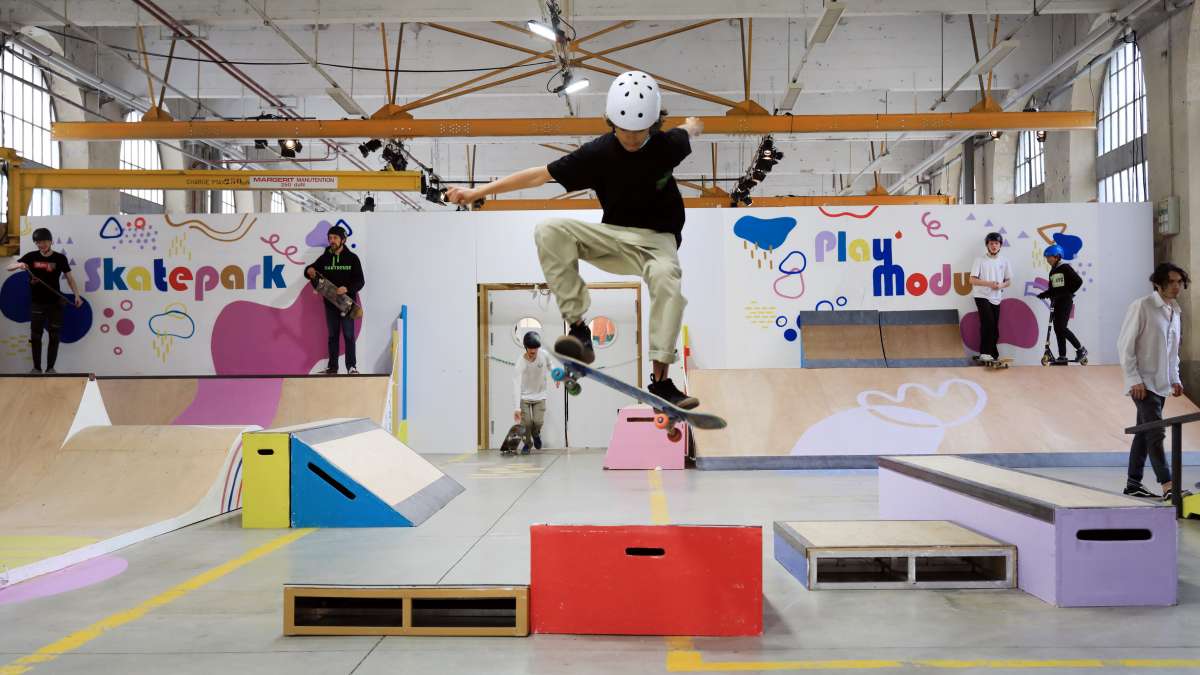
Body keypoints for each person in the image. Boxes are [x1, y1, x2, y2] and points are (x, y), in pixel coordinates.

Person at [445, 71, 701, 410]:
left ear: (652, 126)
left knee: (668, 279)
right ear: (611, 122)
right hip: (613, 236)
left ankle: (662, 382)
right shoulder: (597, 153)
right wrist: (480, 191)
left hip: (659, 242)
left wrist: (694, 125)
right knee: (549, 229)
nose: (632, 139)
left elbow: (686, 131)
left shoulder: (669, 145)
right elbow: (538, 174)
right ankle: (580, 331)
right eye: (625, 132)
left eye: (640, 133)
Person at [1118, 262, 1193, 501]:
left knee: (1144, 432)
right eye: (1171, 281)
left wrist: (1175, 378)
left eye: (1179, 282)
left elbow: (1173, 351)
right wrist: (1133, 379)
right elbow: (1125, 345)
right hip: (1143, 383)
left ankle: (1133, 484)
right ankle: (1169, 485)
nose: (1176, 286)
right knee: (1156, 432)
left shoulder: (1175, 311)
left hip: (1161, 384)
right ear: (1158, 283)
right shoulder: (1143, 306)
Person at [6, 227, 83, 374]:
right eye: (39, 242)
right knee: (35, 336)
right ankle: (36, 368)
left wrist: (77, 295)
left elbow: (70, 278)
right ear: (36, 243)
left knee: (54, 336)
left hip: (55, 303)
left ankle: (50, 368)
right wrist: (18, 264)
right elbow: (9, 267)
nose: (42, 245)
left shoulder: (60, 258)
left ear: (51, 241)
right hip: (37, 303)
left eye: (45, 241)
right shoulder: (31, 256)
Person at [304, 225, 364, 374]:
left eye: (335, 238)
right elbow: (311, 270)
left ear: (343, 240)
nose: (332, 240)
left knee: (349, 335)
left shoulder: (352, 258)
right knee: (332, 336)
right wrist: (309, 271)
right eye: (330, 238)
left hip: (347, 304)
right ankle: (333, 367)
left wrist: (347, 289)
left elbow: (360, 281)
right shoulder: (325, 258)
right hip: (330, 303)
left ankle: (351, 367)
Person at [1036, 244, 1087, 364]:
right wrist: (1045, 294)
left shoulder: (1065, 268)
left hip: (1065, 302)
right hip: (1057, 302)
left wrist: (1068, 293)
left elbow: (1078, 281)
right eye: (1047, 258)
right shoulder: (1052, 271)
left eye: (1049, 257)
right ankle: (1062, 356)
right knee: (1058, 330)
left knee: (1062, 328)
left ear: (1057, 256)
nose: (1047, 260)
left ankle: (1080, 350)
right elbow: (1053, 289)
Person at [968, 232, 1012, 363]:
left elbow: (1009, 281)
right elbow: (971, 280)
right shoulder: (979, 260)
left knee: (994, 326)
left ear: (1000, 245)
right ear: (987, 245)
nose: (994, 246)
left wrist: (1001, 285)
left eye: (996, 243)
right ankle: (985, 353)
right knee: (988, 323)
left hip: (996, 297)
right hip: (981, 295)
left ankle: (991, 353)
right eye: (991, 243)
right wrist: (989, 284)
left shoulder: (1004, 261)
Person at [512, 331, 557, 454]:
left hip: (540, 394)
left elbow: (550, 365)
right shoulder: (520, 362)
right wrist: (517, 408)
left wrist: (555, 375)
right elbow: (516, 384)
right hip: (524, 396)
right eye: (530, 350)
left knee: (538, 422)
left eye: (535, 350)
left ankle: (536, 434)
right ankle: (528, 444)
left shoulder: (544, 355)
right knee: (526, 423)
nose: (533, 353)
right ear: (526, 348)